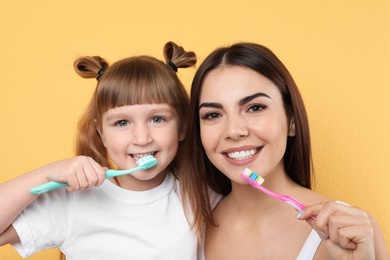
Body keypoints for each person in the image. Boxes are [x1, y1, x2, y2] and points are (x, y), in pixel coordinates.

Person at [182, 42, 389, 259]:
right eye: (213, 115)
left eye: (255, 108)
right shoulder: (189, 231)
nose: (234, 131)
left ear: (291, 120)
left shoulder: (353, 232)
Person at [0, 41, 201, 259]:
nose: (142, 138)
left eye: (157, 119)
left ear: (182, 126)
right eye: (122, 123)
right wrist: (46, 173)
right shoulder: (74, 200)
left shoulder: (202, 194)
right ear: (101, 133)